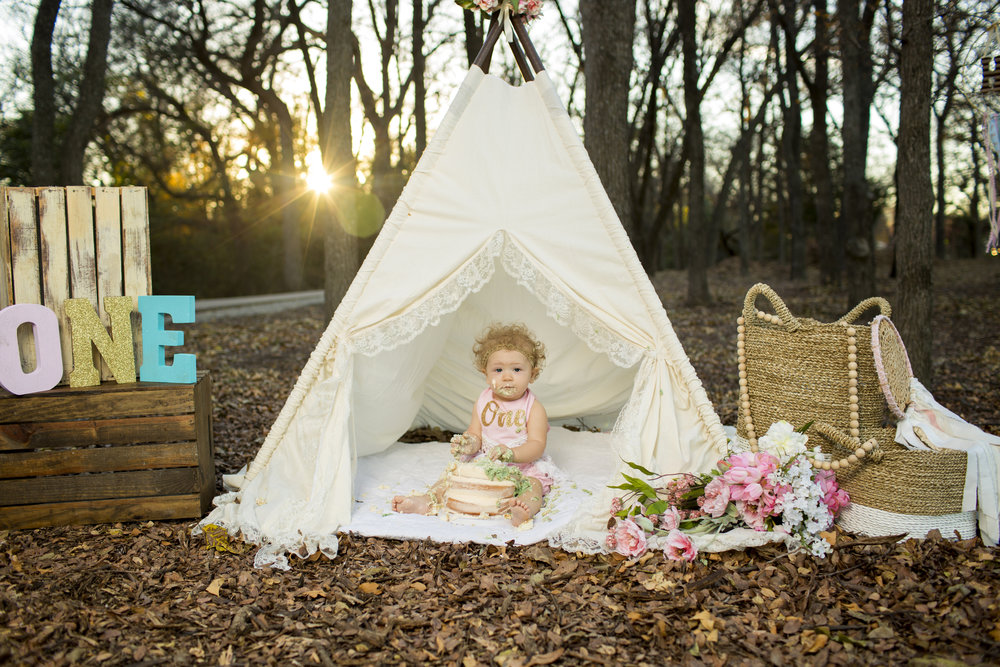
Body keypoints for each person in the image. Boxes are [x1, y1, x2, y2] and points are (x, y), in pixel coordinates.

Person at [392, 322, 554, 526]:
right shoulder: (483, 401)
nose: (506, 376)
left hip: (522, 465)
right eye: (498, 369)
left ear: (533, 373)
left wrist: (513, 454)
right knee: (451, 478)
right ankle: (427, 501)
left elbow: (537, 445)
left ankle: (523, 509)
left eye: (517, 369)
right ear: (485, 374)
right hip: (486, 461)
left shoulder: (534, 408)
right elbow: (475, 433)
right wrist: (469, 443)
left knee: (534, 485)